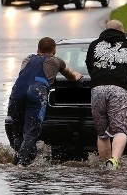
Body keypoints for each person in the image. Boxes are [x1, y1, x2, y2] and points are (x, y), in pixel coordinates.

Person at [8, 36, 83, 166]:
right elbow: (71, 76)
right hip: (36, 93)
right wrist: (78, 76)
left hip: (17, 92)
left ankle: (17, 160)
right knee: (31, 132)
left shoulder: (27, 59)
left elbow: (24, 74)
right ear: (54, 51)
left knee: (18, 131)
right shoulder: (56, 61)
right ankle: (22, 164)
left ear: (38, 49)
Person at [85, 20, 127, 170]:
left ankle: (104, 165)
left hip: (97, 89)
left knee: (102, 133)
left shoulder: (94, 45)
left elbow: (90, 67)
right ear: (122, 31)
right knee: (120, 130)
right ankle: (114, 161)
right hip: (119, 89)